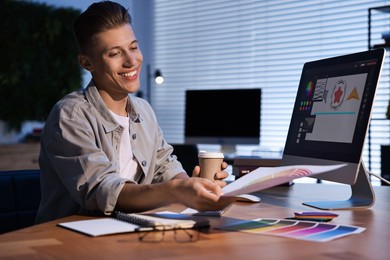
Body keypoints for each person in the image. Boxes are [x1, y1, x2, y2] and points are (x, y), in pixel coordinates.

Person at [35, 1, 235, 224]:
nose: (131, 61)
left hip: (128, 232)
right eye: (114, 53)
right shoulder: (70, 116)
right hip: (70, 240)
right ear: (87, 62)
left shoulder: (144, 110)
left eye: (133, 47)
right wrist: (178, 190)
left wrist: (195, 186)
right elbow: (104, 191)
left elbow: (165, 167)